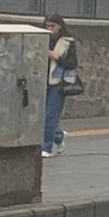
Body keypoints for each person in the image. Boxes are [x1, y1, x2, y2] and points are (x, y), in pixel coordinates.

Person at [43, 14, 77, 158]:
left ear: (60, 27)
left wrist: (57, 57)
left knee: (51, 115)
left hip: (58, 82)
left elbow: (72, 63)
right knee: (41, 116)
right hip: (41, 81)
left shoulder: (68, 42)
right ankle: (58, 136)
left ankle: (46, 147)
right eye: (47, 26)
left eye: (53, 26)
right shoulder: (41, 38)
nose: (50, 29)